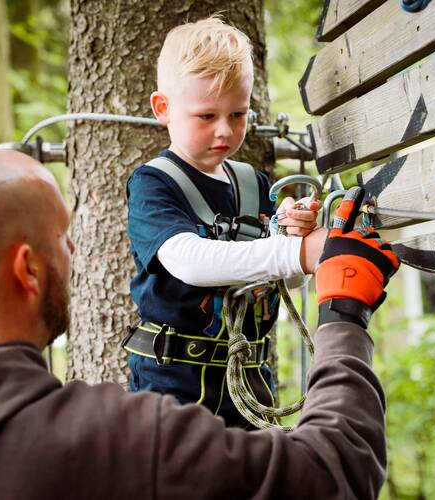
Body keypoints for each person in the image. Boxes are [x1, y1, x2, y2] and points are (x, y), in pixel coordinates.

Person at [0, 149, 399, 499]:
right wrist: (344, 313)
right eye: (64, 238)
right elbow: (332, 476)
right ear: (29, 269)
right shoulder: (116, 441)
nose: (74, 252)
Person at [124, 15, 325, 427]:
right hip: (173, 377)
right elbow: (188, 261)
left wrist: (291, 237)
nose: (225, 131)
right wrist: (292, 252)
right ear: (164, 109)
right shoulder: (154, 183)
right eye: (206, 116)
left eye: (237, 114)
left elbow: (281, 281)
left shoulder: (254, 185)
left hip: (248, 375)